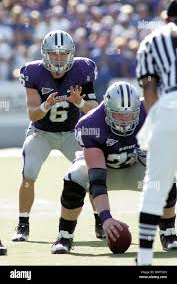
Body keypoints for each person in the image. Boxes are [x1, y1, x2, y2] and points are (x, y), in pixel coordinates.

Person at [12, 30, 98, 242]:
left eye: (63, 53)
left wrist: (78, 101)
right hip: (41, 132)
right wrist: (46, 104)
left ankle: (100, 221)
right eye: (54, 54)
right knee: (28, 173)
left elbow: (94, 110)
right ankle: (23, 224)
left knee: (93, 174)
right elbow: (32, 114)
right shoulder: (33, 72)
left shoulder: (82, 69)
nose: (58, 58)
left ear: (71, 54)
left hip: (71, 132)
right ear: (44, 54)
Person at [51, 81, 147, 254]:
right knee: (73, 179)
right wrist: (106, 218)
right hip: (104, 171)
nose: (125, 120)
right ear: (107, 110)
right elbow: (97, 178)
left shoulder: (151, 114)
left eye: (130, 114)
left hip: (134, 167)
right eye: (118, 115)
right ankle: (64, 236)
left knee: (166, 179)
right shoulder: (90, 125)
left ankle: (168, 233)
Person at [136, 0, 177, 265]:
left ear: (166, 19)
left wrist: (157, 124)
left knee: (155, 187)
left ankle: (145, 258)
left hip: (169, 107)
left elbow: (149, 89)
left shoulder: (152, 40)